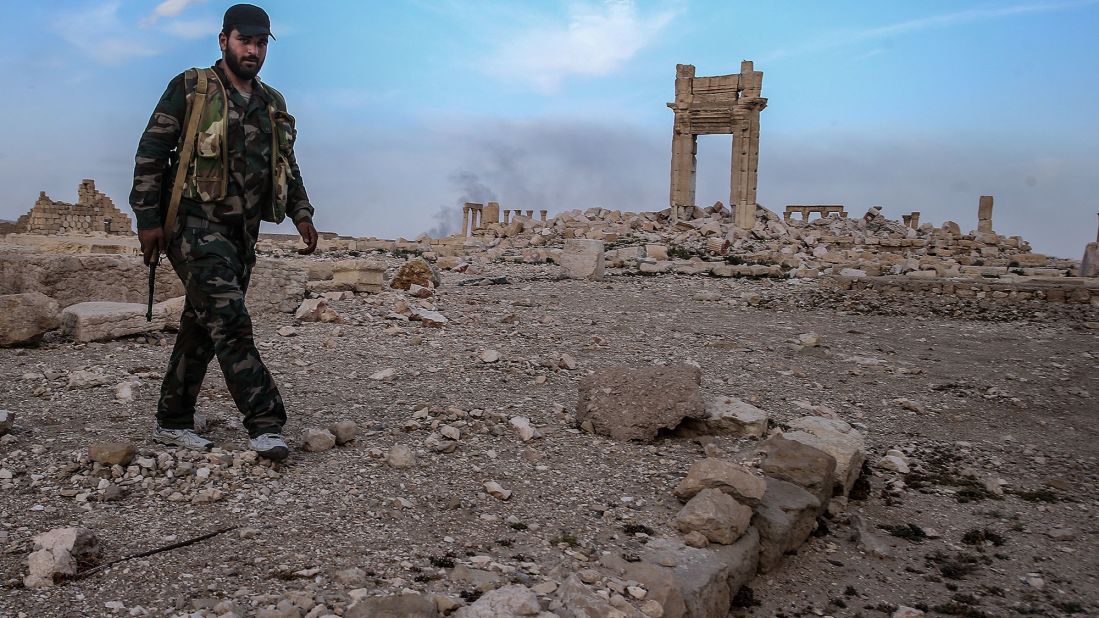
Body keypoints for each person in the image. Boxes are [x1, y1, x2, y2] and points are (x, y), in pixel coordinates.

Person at [129, 4, 317, 461]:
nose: (252, 51)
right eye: (243, 41)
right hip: (193, 225)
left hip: (242, 233)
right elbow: (152, 151)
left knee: (202, 325)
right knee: (231, 321)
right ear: (223, 40)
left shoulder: (272, 102)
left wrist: (302, 213)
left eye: (259, 44)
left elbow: (285, 166)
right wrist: (147, 220)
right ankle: (265, 422)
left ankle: (172, 419)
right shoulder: (192, 88)